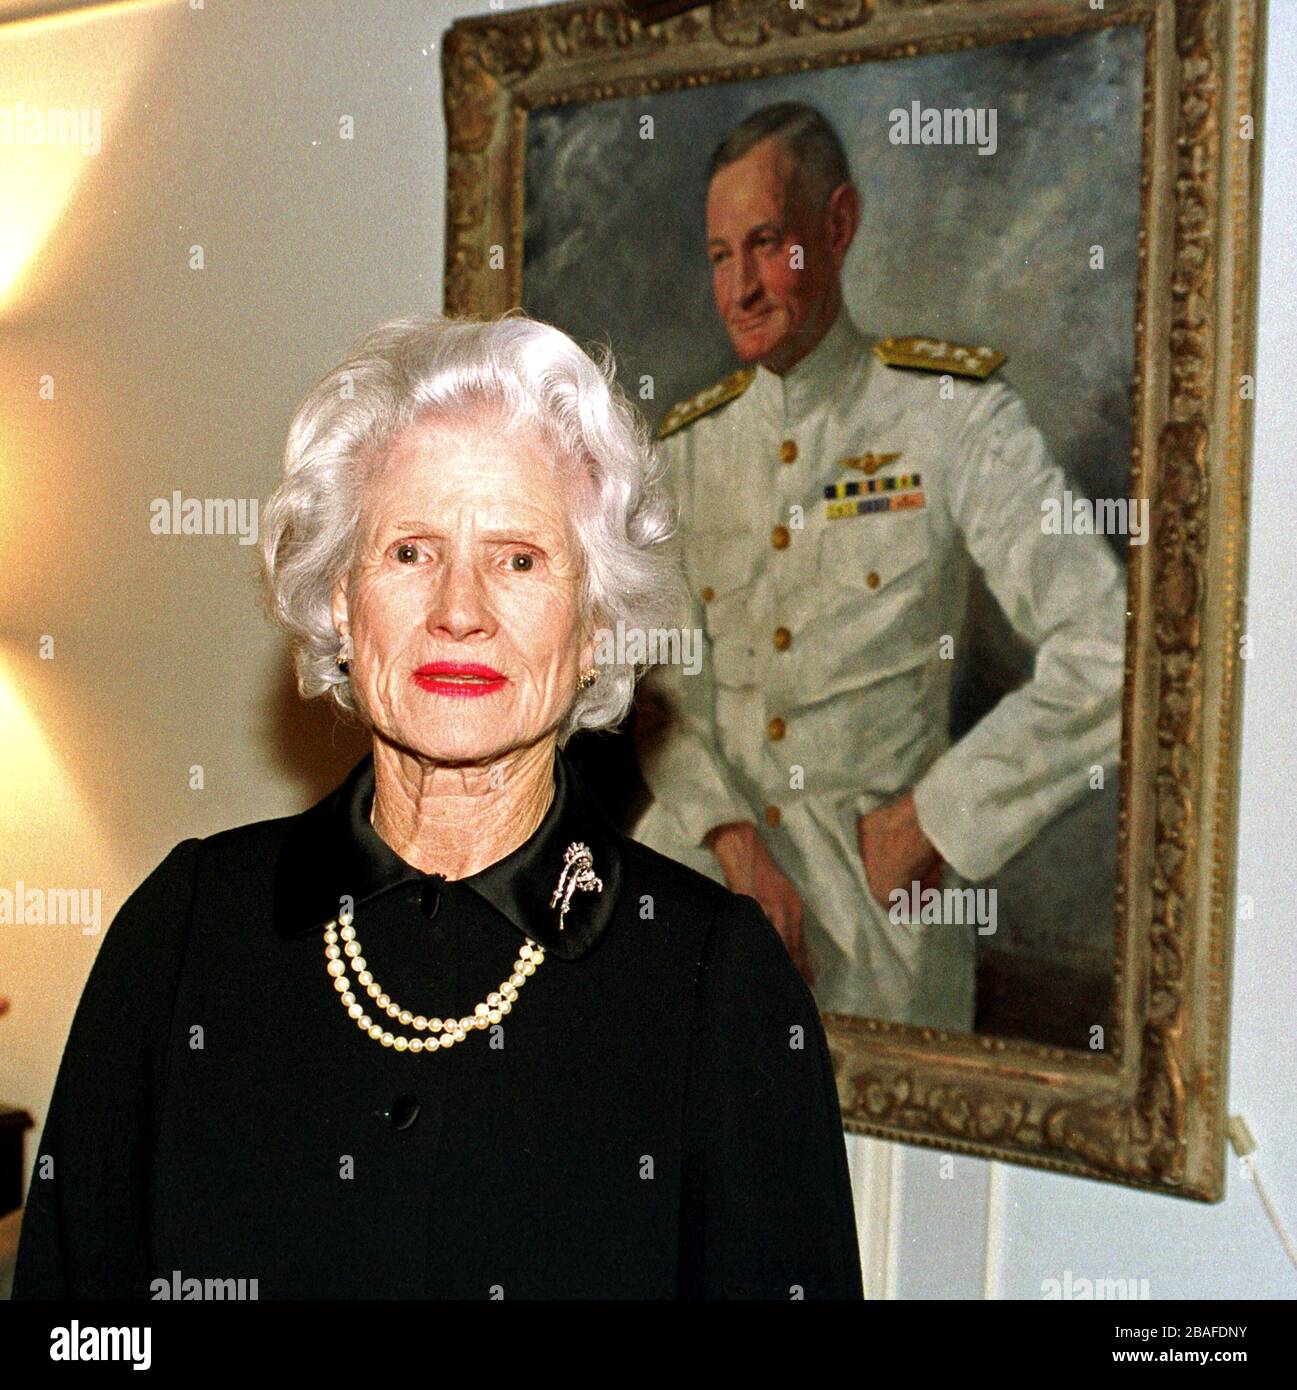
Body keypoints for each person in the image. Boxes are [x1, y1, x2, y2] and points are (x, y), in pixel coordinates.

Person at [13, 312, 863, 1301]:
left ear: (594, 627)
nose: (460, 609)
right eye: (411, 552)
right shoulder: (186, 928)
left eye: (518, 559)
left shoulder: (718, 983)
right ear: (339, 598)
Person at [634, 102, 1126, 1029]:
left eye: (767, 244)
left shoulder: (951, 418)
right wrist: (734, 844)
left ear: (839, 226)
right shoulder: (687, 453)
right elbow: (660, 693)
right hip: (696, 875)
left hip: (869, 918)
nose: (738, 287)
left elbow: (1111, 650)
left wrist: (933, 824)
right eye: (717, 255)